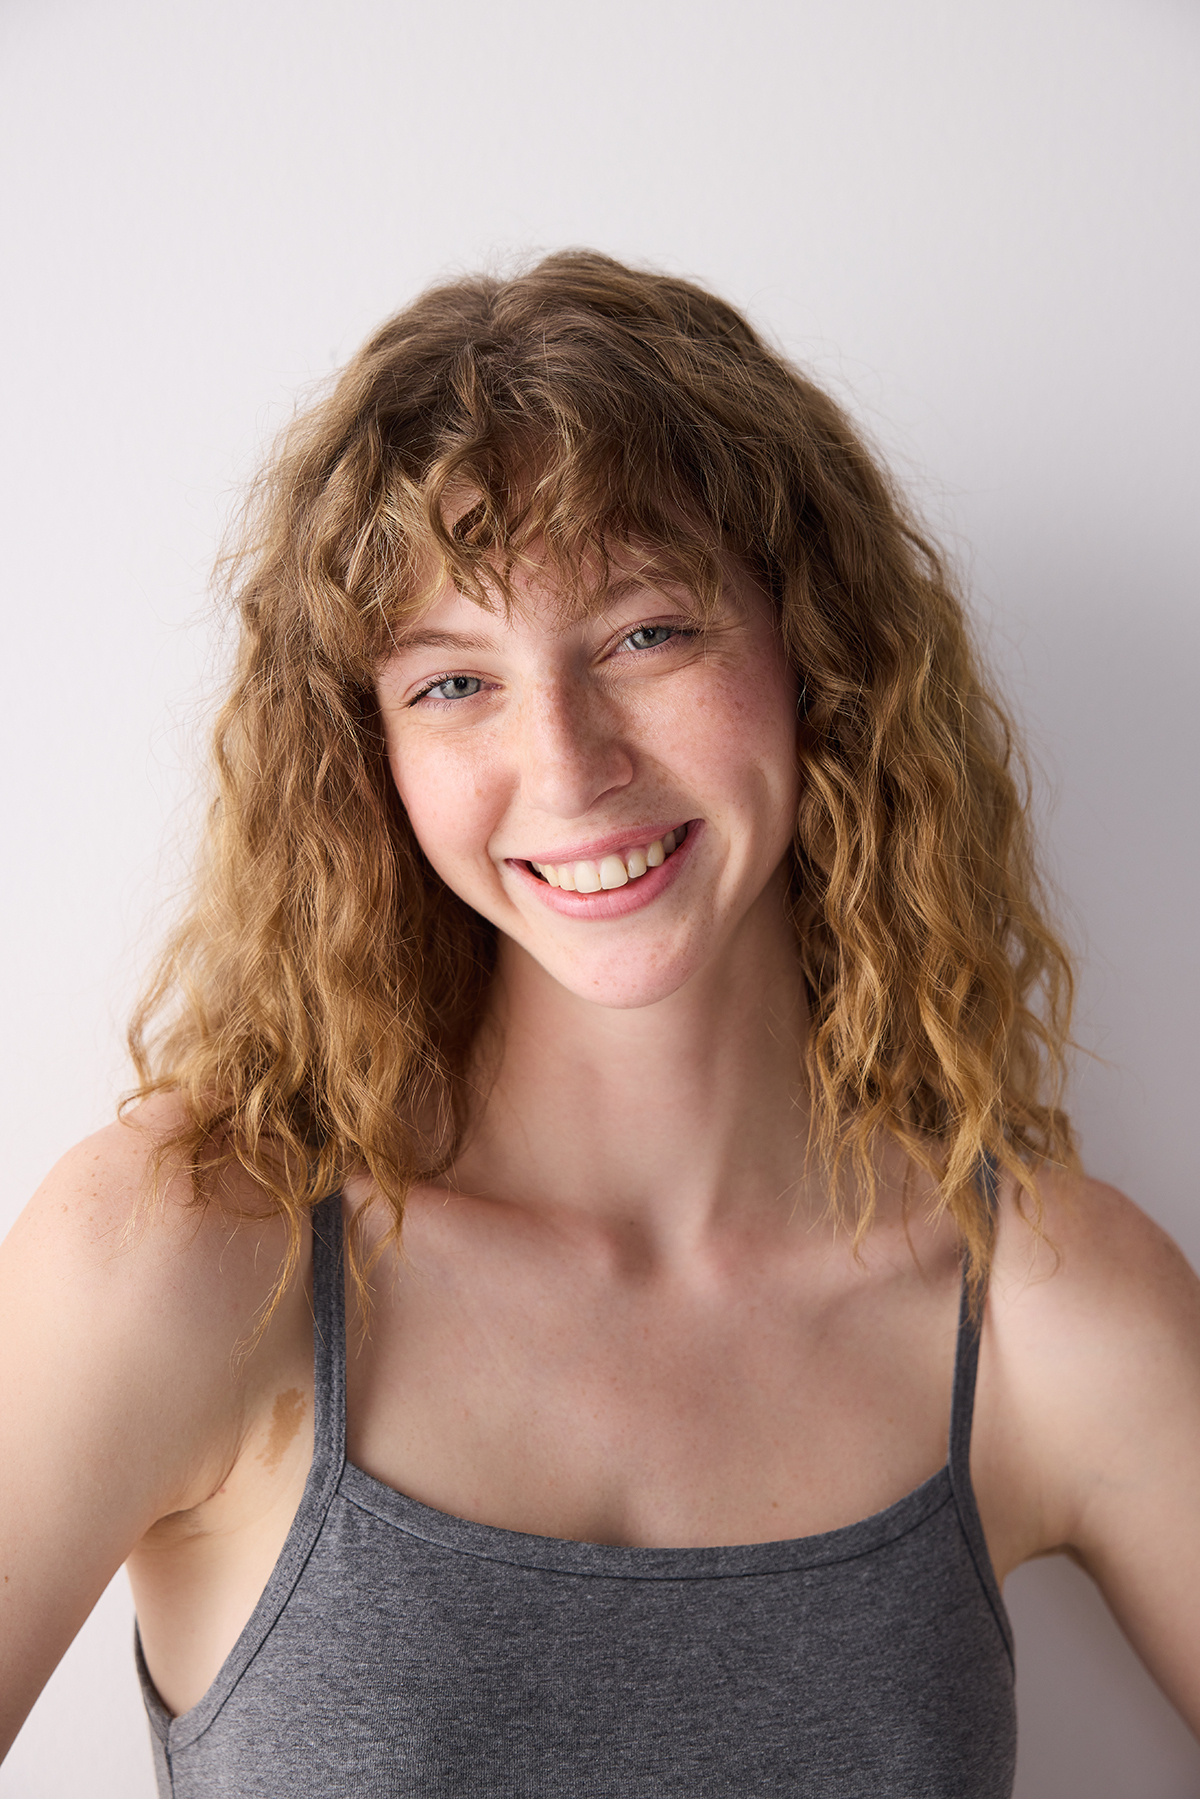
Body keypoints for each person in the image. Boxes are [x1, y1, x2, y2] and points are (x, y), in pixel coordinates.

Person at [1, 251, 1197, 1800]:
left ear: (814, 654)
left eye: (646, 636)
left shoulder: (1046, 1308)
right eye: (453, 684)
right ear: (368, 758)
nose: (567, 768)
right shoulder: (188, 1252)